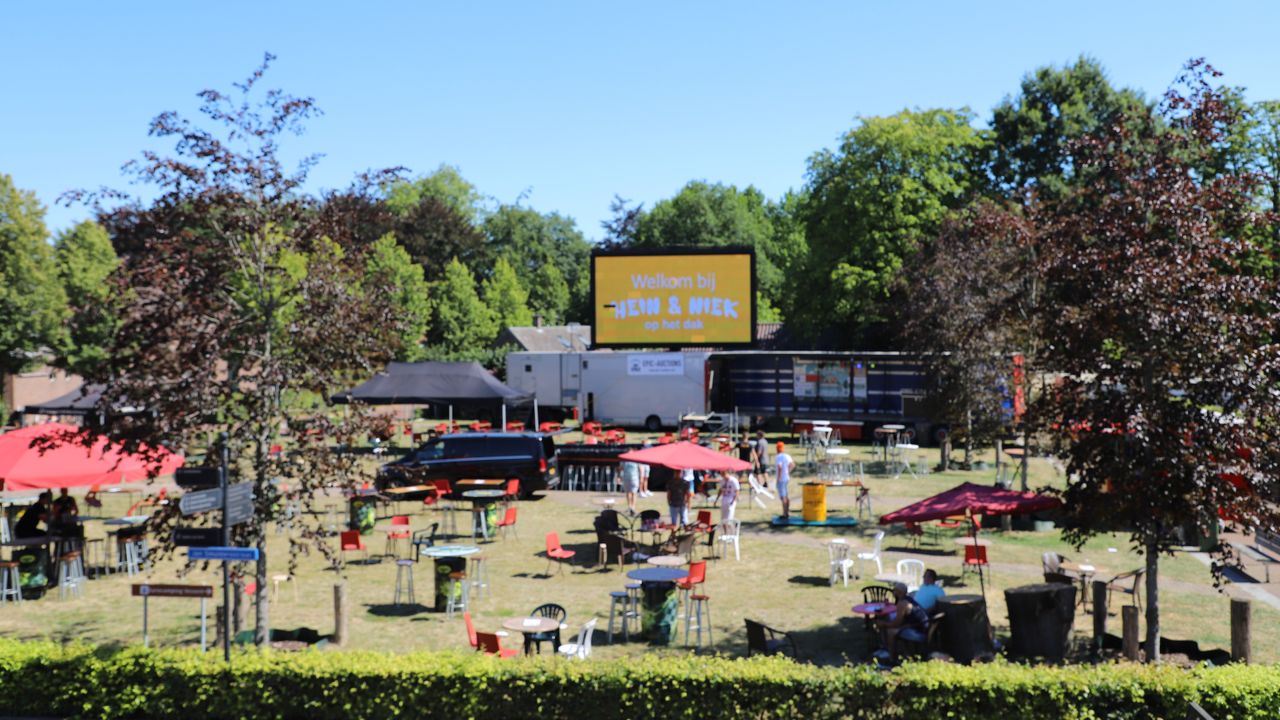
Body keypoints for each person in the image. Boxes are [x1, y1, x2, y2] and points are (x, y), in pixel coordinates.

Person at [877, 581, 929, 659]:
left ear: (899, 592)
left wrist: (883, 624)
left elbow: (896, 624)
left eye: (894, 590)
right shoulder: (908, 599)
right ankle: (888, 648)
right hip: (923, 626)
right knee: (889, 621)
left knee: (890, 631)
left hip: (919, 632)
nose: (892, 591)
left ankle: (891, 656)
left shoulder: (902, 603)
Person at [774, 442, 795, 519]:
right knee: (786, 495)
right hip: (786, 478)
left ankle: (784, 513)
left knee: (783, 497)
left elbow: (779, 467)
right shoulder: (787, 456)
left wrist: (778, 478)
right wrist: (788, 471)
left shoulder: (778, 457)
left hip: (781, 479)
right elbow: (792, 465)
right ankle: (787, 511)